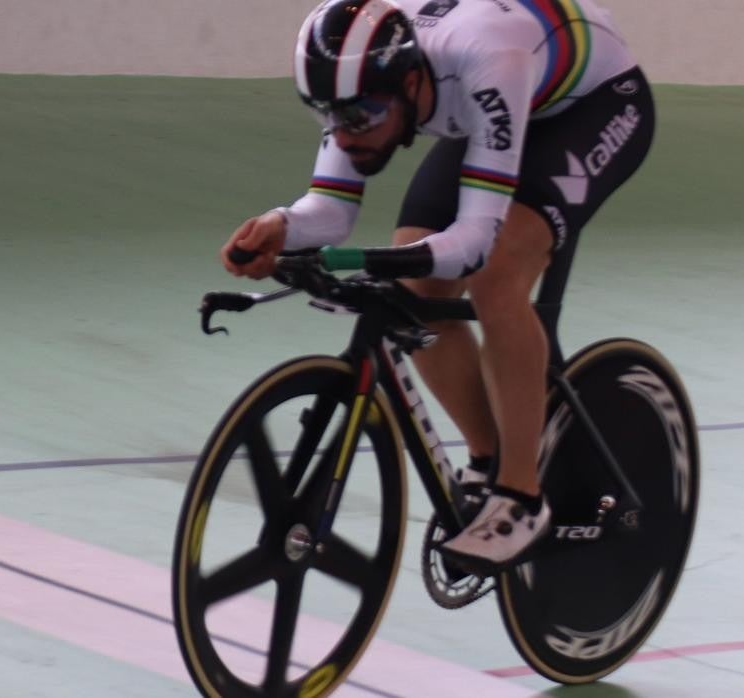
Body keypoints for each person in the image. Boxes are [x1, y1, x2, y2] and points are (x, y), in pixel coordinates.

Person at [220, 0, 655, 573]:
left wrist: (369, 260)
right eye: (329, 117)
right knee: (421, 293)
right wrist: (283, 225)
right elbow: (329, 208)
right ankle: (490, 456)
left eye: (362, 118)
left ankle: (521, 497)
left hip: (591, 107)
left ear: (410, 81)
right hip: (491, 105)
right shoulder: (363, 86)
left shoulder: (482, 58)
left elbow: (474, 243)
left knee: (496, 277)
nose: (346, 138)